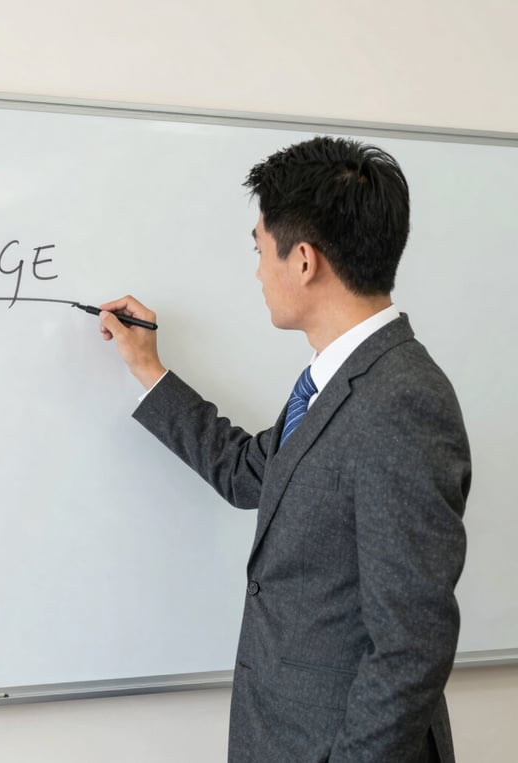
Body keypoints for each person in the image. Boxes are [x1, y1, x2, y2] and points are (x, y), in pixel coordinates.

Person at [97, 136, 471, 762]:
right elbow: (249, 474)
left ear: (303, 261)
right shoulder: (335, 382)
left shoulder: (402, 401)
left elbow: (412, 647)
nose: (256, 271)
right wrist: (148, 369)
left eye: (259, 250)